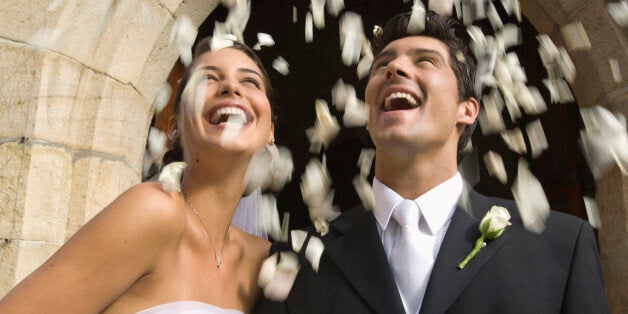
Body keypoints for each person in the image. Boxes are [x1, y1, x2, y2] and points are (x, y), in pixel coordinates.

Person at [254, 11, 609, 314]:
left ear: (467, 110)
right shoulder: (295, 261)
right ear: (367, 115)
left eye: (425, 60)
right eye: (382, 65)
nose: (394, 68)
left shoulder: (559, 246)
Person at [0, 37, 276, 313]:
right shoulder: (154, 210)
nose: (231, 87)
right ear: (174, 126)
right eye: (208, 79)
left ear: (270, 131)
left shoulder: (267, 261)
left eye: (250, 82)